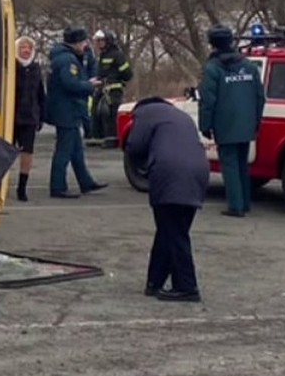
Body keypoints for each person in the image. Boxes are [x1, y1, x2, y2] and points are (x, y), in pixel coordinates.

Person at [125, 97, 209, 302]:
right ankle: (155, 282)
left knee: (174, 233)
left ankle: (187, 287)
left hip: (170, 174)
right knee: (169, 231)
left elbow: (134, 146)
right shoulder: (182, 116)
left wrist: (144, 166)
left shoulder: (144, 114)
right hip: (199, 172)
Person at [197, 24, 266, 218]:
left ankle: (235, 206)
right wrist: (256, 120)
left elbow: (208, 100)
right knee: (242, 164)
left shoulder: (212, 69)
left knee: (229, 165)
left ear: (212, 44)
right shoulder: (249, 66)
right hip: (247, 124)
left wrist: (205, 125)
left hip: (225, 123)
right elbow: (260, 97)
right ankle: (244, 203)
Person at [45, 26, 108, 199]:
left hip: (66, 109)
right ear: (77, 43)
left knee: (76, 150)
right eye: (83, 42)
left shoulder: (61, 57)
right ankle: (58, 187)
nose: (86, 45)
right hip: (67, 110)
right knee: (64, 150)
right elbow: (70, 84)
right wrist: (90, 85)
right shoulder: (68, 61)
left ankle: (85, 182)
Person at [13, 35, 47, 202]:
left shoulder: (35, 69)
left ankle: (22, 187)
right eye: (22, 48)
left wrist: (41, 117)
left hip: (29, 117)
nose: (26, 51)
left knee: (27, 152)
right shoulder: (10, 67)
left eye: (29, 48)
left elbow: (41, 94)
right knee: (4, 152)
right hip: (11, 117)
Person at [88, 30, 134, 147]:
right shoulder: (102, 55)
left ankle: (112, 139)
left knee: (110, 114)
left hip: (113, 91)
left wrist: (113, 78)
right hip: (101, 90)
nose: (98, 44)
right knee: (96, 112)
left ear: (108, 41)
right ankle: (98, 138)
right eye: (97, 41)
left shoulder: (117, 55)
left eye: (101, 41)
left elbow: (128, 74)